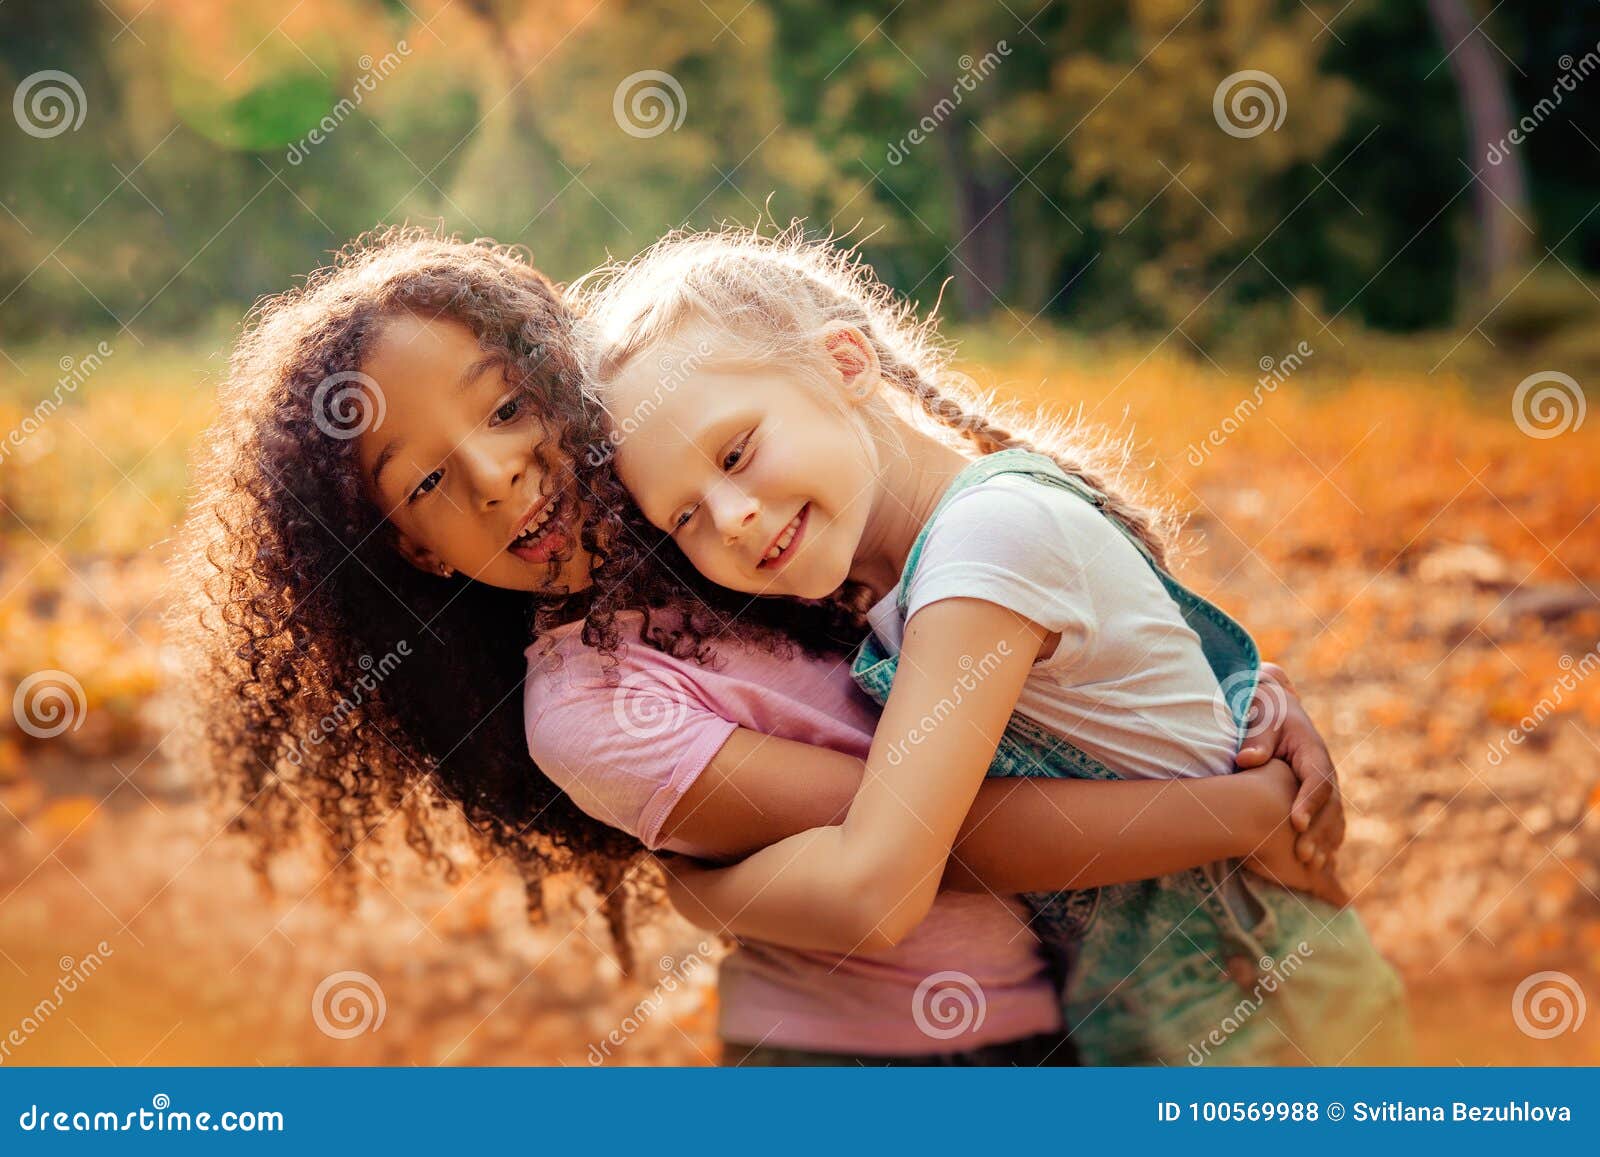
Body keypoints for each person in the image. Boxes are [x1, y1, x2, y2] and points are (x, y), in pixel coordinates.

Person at [176, 227, 1346, 1067]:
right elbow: (953, 829)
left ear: (563, 384)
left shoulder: (726, 520)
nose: (498, 474)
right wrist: (1247, 809)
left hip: (1082, 1004)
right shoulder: (591, 705)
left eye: (503, 407)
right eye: (428, 480)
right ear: (415, 552)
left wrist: (1232, 701)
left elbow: (1037, 620)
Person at [574, 227, 1411, 1064]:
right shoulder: (896, 583)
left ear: (845, 364)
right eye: (683, 515)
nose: (731, 517)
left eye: (737, 451)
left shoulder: (985, 544)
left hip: (1260, 1005)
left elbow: (876, 888)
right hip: (1152, 1007)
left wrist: (698, 892)